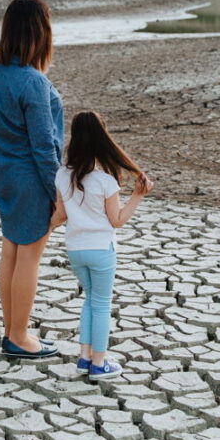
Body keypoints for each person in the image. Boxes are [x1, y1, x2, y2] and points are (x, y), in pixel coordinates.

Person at [0, 0, 63, 359]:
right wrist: (60, 194)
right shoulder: (33, 82)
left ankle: (14, 330)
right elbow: (45, 148)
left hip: (5, 173)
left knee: (12, 252)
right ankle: (18, 337)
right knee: (28, 257)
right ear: (41, 31)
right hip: (32, 179)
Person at [49, 110, 154, 380]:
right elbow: (117, 220)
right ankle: (99, 363)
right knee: (101, 304)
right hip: (100, 251)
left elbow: (60, 216)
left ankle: (84, 359)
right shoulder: (105, 181)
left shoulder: (62, 175)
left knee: (89, 301)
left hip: (75, 249)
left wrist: (43, 227)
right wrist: (137, 196)